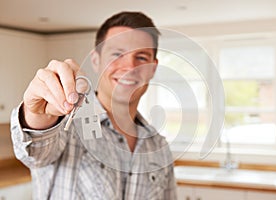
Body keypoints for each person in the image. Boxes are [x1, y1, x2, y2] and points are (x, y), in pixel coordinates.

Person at [10, 11, 177, 200]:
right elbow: (35, 150)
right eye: (117, 54)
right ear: (96, 61)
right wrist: (37, 114)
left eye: (141, 57)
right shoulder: (67, 123)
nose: (130, 67)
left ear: (152, 68)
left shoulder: (159, 148)